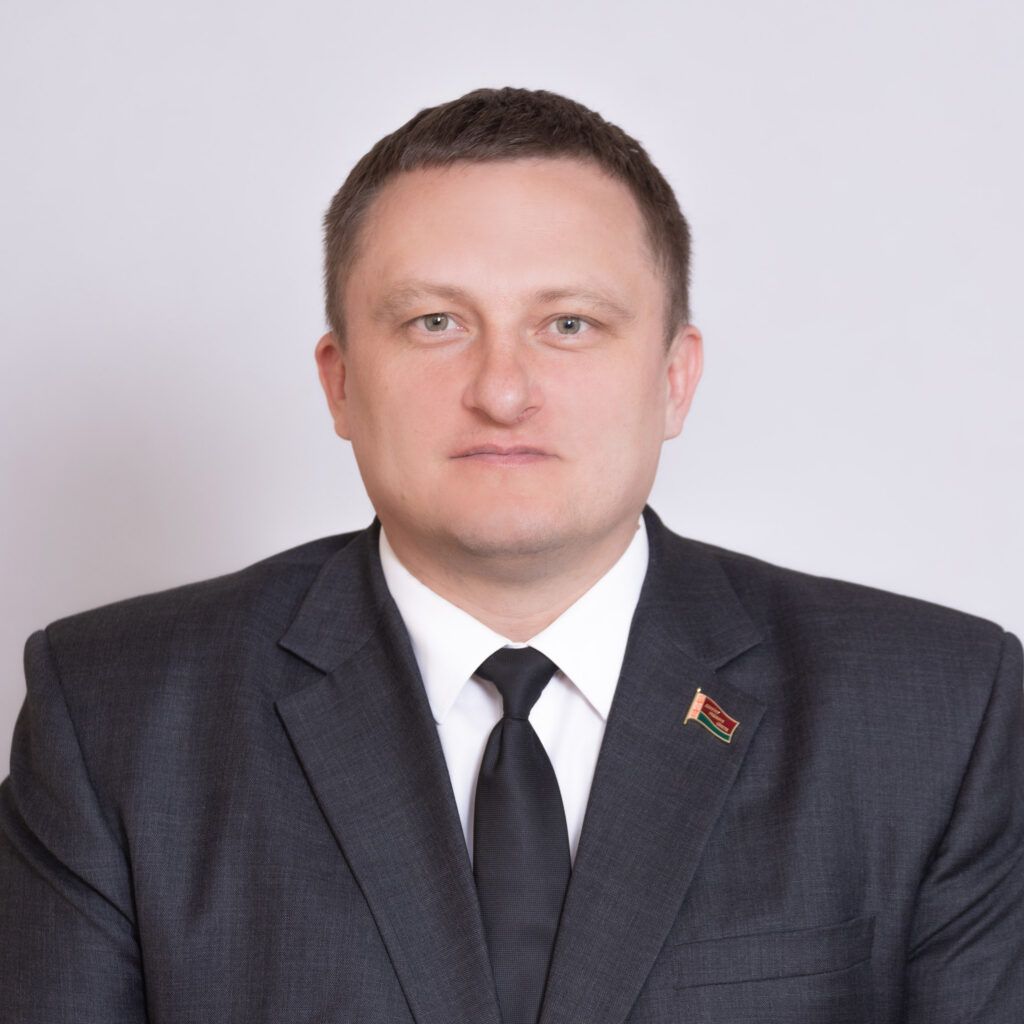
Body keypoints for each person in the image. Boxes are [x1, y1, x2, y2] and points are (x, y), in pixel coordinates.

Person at [0, 86, 1020, 1024]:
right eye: (434, 322)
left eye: (568, 324)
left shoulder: (935, 710)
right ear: (341, 381)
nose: (501, 390)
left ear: (674, 378)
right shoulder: (115, 717)